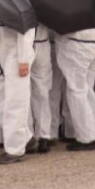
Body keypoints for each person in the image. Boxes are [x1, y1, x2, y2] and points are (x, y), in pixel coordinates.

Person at [55, 4, 95, 151]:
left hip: (77, 45)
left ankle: (86, 137)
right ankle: (91, 131)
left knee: (77, 92)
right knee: (87, 91)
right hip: (93, 43)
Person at [0, 15, 35, 164]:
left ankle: (15, 150)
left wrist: (24, 59)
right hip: (1, 61)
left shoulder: (19, 4)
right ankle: (26, 138)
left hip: (15, 59)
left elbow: (26, 31)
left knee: (15, 103)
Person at [28, 22, 54, 154]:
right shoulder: (45, 1)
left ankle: (29, 136)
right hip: (42, 42)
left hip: (24, 43)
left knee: (24, 93)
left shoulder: (16, 1)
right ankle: (44, 136)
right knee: (42, 92)